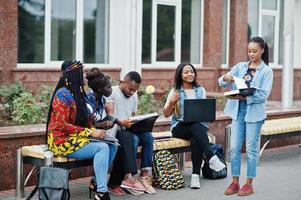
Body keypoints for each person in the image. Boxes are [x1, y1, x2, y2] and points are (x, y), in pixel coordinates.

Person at [46, 60, 116, 200]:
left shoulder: (79, 93)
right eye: (83, 72)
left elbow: (85, 121)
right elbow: (62, 125)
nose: (86, 75)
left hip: (76, 137)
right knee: (102, 148)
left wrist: (98, 127)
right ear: (74, 74)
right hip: (60, 140)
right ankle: (102, 192)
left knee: (112, 145)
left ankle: (96, 183)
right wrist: (91, 132)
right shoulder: (62, 95)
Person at [218, 36, 273, 196]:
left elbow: (263, 95)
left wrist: (245, 97)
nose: (251, 54)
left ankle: (249, 183)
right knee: (234, 148)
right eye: (249, 51)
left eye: (255, 51)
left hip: (254, 114)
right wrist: (226, 78)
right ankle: (235, 182)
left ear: (262, 50)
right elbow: (221, 81)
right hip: (237, 112)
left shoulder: (266, 71)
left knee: (250, 149)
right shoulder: (240, 67)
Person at [163, 63, 226, 189]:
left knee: (195, 138)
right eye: (186, 72)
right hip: (179, 128)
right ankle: (210, 156)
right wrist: (172, 102)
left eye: (191, 71)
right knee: (194, 126)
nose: (189, 74)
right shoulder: (175, 92)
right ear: (180, 75)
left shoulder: (200, 90)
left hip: (197, 127)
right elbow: (166, 114)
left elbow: (201, 112)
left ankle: (195, 177)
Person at [106, 71, 156, 195]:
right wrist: (122, 122)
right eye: (130, 88)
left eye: (135, 90)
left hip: (128, 128)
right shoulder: (112, 92)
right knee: (132, 139)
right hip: (114, 129)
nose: (132, 92)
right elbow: (110, 116)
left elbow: (132, 115)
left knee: (148, 138)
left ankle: (144, 176)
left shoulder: (134, 96)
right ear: (123, 82)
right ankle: (131, 176)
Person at [85, 68, 118, 195]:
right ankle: (100, 186)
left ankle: (95, 181)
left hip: (95, 134)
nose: (111, 90)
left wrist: (106, 124)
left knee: (113, 146)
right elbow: (86, 124)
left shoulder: (103, 100)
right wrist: (100, 125)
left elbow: (97, 122)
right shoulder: (88, 100)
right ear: (99, 89)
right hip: (85, 134)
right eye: (108, 87)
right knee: (105, 147)